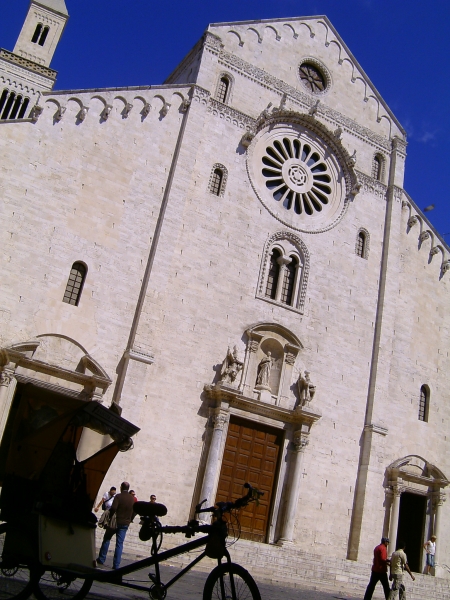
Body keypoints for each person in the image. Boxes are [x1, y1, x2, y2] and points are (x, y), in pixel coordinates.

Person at [96, 482, 135, 569]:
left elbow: (113, 508)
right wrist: (130, 519)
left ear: (121, 487)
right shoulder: (132, 499)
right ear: (128, 488)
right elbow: (135, 511)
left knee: (107, 539)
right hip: (125, 524)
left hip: (115, 522)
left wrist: (109, 517)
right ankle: (116, 565)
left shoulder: (118, 496)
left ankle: (101, 559)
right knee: (119, 544)